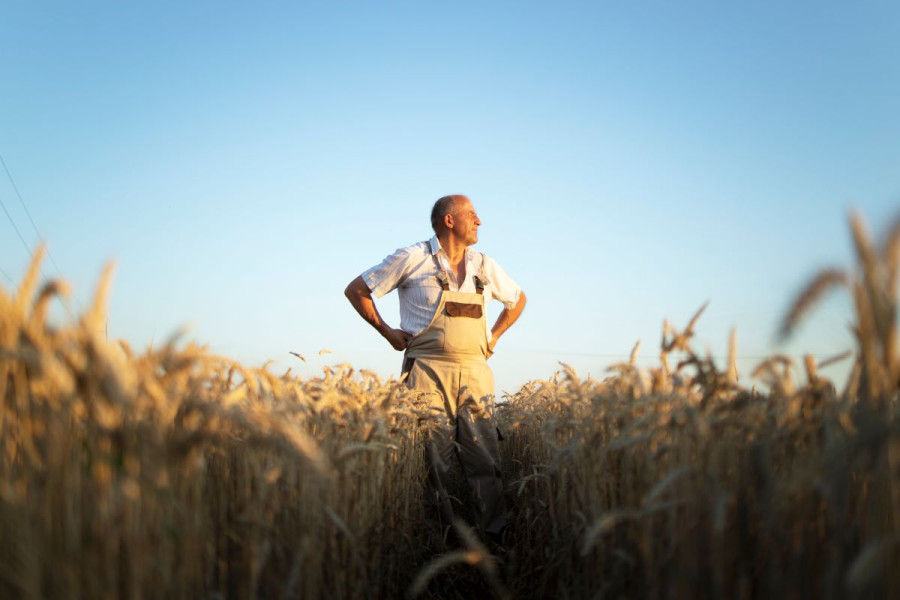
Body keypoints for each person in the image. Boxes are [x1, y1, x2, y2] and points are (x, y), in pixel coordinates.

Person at [344, 194, 527, 545]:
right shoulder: (412, 257)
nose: (479, 221)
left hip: (475, 372)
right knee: (434, 462)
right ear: (449, 220)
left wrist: (494, 337)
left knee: (484, 459)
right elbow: (357, 290)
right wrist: (387, 332)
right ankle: (440, 544)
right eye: (472, 215)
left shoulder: (484, 265)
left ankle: (492, 542)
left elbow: (518, 300)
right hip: (425, 372)